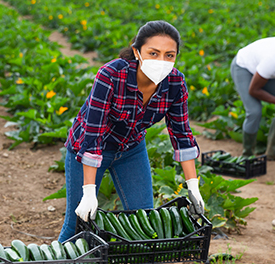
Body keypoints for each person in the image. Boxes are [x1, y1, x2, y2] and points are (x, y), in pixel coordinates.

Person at [58, 20, 204, 242]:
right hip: (89, 149)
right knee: (78, 224)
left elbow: (182, 135)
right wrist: (89, 192)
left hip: (131, 150)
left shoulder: (175, 83)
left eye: (169, 55)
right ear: (137, 51)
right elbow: (93, 133)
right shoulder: (111, 75)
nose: (161, 61)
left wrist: (193, 187)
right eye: (153, 53)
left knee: (144, 220)